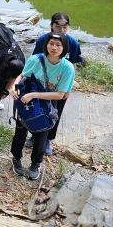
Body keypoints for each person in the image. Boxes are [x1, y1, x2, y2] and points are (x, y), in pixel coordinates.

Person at [10, 32, 75, 180]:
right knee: (20, 129)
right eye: (51, 43)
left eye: (58, 45)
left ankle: (35, 163)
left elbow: (60, 95)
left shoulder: (67, 68)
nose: (54, 47)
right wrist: (14, 86)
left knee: (42, 134)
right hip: (27, 99)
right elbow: (22, 75)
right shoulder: (35, 59)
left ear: (64, 48)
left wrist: (34, 95)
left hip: (47, 103)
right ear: (46, 44)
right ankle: (16, 158)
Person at [28, 11, 84, 154]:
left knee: (55, 113)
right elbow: (34, 62)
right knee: (37, 110)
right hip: (41, 85)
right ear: (51, 26)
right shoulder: (43, 41)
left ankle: (47, 140)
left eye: (65, 27)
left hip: (60, 87)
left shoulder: (73, 43)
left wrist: (68, 90)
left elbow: (74, 66)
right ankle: (34, 135)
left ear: (69, 27)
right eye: (58, 26)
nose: (62, 30)